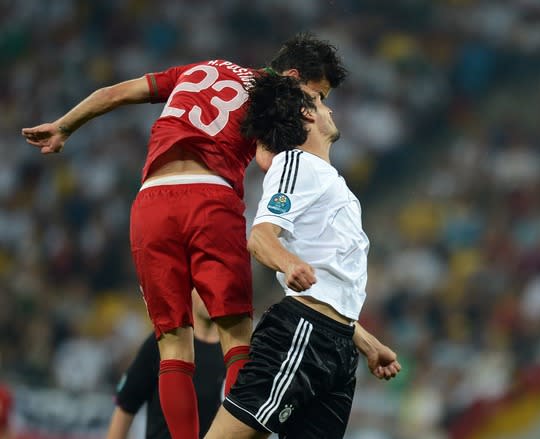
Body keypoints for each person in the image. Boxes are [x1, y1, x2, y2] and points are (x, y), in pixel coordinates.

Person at [21, 32, 348, 439]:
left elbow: (115, 92)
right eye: (316, 95)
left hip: (151, 202)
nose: (315, 107)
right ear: (294, 75)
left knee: (172, 347)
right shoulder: (274, 94)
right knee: (238, 342)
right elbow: (268, 161)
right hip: (210, 198)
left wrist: (64, 127)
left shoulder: (198, 69)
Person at [203, 74, 401, 439]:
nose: (330, 108)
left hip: (338, 346)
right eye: (323, 103)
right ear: (306, 115)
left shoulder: (328, 179)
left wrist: (368, 344)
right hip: (302, 333)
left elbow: (329, 281)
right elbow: (261, 236)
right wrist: (288, 262)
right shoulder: (296, 163)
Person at [107, 290, 225, 439]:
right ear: (188, 288)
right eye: (201, 284)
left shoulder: (238, 355)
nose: (208, 292)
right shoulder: (163, 342)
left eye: (214, 284)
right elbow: (126, 405)